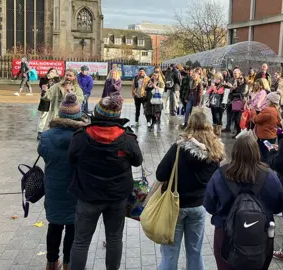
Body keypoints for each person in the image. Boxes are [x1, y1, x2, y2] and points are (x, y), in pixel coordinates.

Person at [68, 94, 143, 270]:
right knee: (114, 238)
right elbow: (137, 161)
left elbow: (71, 157)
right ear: (117, 116)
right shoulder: (127, 138)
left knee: (80, 241)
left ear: (97, 113)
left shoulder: (81, 136)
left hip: (88, 196)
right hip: (117, 197)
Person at [204, 134, 283, 270]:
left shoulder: (221, 175)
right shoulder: (269, 175)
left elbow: (209, 205)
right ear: (256, 152)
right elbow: (278, 207)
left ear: (234, 152)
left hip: (225, 235)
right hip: (260, 235)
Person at [156, 111, 225, 270]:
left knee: (170, 253)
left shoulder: (179, 148)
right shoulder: (215, 152)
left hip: (175, 206)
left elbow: (160, 173)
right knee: (195, 252)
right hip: (200, 205)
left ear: (190, 125)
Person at [38, 94, 88, 270]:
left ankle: (51, 262)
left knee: (55, 225)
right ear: (77, 115)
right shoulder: (83, 137)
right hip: (75, 188)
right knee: (73, 227)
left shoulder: (46, 136)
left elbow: (43, 153)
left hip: (53, 187)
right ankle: (68, 262)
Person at [250, 92, 281, 162]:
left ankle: (263, 171)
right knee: (268, 155)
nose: (265, 101)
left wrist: (253, 111)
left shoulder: (268, 110)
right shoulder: (277, 110)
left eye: (267, 99)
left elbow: (255, 120)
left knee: (263, 157)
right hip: (272, 136)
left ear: (271, 101)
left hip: (264, 136)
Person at [37, 68, 61, 140]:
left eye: (54, 72)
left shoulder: (57, 80)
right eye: (51, 71)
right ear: (48, 72)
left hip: (54, 101)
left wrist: (56, 77)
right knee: (43, 116)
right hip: (46, 100)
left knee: (54, 117)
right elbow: (41, 84)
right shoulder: (44, 79)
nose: (52, 73)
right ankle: (40, 132)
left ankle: (51, 132)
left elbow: (59, 86)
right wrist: (47, 78)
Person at [222, 68, 241, 133]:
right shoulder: (231, 79)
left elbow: (240, 89)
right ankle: (228, 127)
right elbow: (227, 89)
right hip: (230, 99)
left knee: (236, 115)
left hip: (237, 100)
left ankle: (236, 129)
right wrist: (227, 86)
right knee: (228, 113)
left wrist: (232, 87)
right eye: (234, 73)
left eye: (236, 73)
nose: (235, 74)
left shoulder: (241, 80)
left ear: (239, 73)